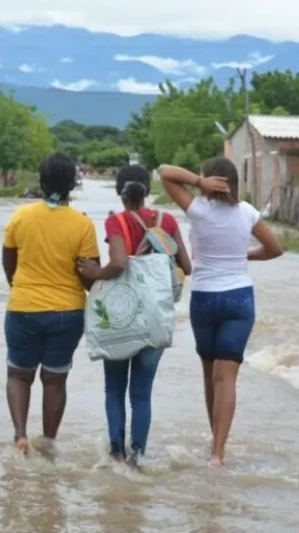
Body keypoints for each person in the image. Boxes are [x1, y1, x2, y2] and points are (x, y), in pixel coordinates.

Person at [158, 157, 283, 467]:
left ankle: (215, 440)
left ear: (210, 179)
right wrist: (244, 256)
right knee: (226, 378)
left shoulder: (198, 210)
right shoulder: (248, 213)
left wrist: (198, 183)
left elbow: (164, 173)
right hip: (239, 299)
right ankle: (218, 452)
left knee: (209, 374)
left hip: (204, 300)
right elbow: (275, 249)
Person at [76, 164, 191, 470]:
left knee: (114, 389)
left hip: (122, 317)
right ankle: (137, 456)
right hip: (156, 317)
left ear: (120, 192)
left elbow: (119, 263)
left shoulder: (117, 221)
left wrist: (95, 273)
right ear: (147, 189)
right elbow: (186, 267)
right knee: (142, 395)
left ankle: (116, 454)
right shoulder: (166, 220)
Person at [2, 153, 99, 454]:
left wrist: (23, 291)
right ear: (73, 184)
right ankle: (49, 443)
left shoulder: (20, 217)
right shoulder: (83, 224)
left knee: (19, 374)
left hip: (22, 307)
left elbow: (9, 265)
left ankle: (20, 435)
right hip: (67, 313)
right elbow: (90, 278)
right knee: (54, 381)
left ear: (41, 183)